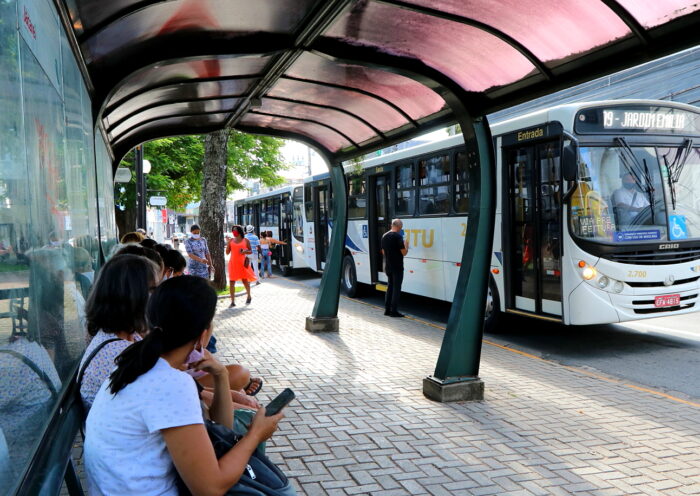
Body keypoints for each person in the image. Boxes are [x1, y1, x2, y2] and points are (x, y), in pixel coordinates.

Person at [84, 276, 284, 495]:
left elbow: (220, 428)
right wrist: (255, 435)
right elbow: (210, 488)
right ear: (204, 333)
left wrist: (220, 375)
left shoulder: (137, 363)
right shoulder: (170, 383)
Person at [79, 254, 160, 410]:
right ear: (132, 296)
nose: (157, 297)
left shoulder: (118, 336)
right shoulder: (120, 353)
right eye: (152, 289)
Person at [381, 219, 409, 317]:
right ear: (399, 226)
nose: (401, 228)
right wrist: (406, 246)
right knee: (396, 289)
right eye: (401, 227)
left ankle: (387, 310)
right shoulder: (398, 237)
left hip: (388, 266)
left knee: (390, 287)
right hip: (397, 266)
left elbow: (383, 252)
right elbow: (404, 253)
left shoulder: (384, 236)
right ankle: (394, 311)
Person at [226, 226, 256, 307]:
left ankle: (249, 296)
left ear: (239, 231)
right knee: (232, 282)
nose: (233, 232)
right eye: (232, 231)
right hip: (233, 264)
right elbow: (227, 252)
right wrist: (228, 243)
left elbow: (250, 251)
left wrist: (245, 251)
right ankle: (232, 301)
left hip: (242, 264)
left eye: (235, 231)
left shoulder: (246, 240)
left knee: (245, 281)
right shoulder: (231, 240)